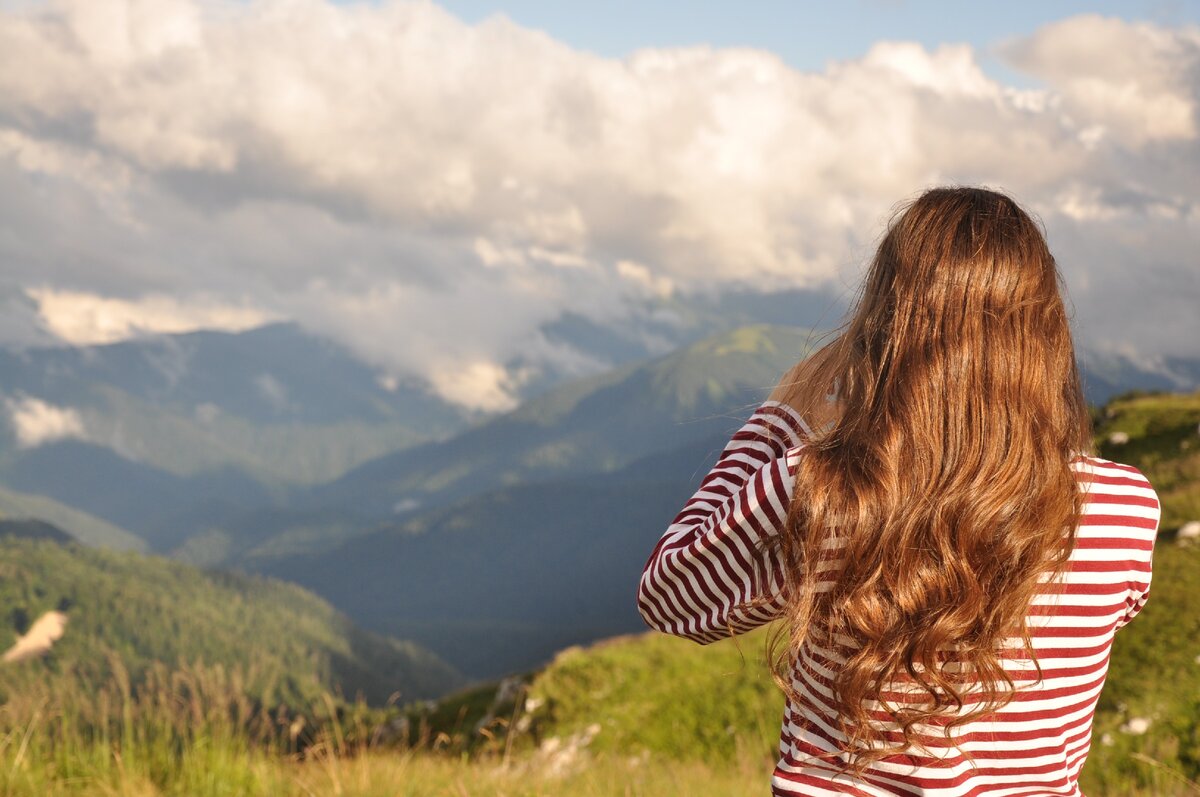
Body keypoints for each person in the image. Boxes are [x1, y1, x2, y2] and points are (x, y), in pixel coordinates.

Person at [636, 186, 1161, 796]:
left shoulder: (825, 489)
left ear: (886, 328)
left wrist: (781, 418)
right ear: (1044, 336)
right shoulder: (1125, 509)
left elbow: (671, 597)